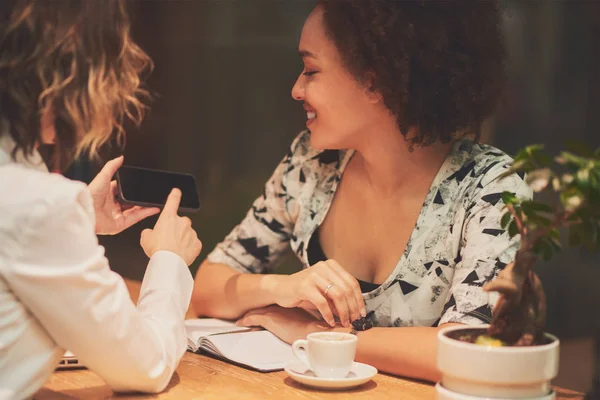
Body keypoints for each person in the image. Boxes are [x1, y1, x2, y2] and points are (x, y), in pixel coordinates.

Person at [192, 0, 531, 382]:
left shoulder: (491, 187)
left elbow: (469, 350)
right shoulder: (312, 163)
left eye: (310, 70)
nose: (296, 90)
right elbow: (207, 286)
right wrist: (282, 287)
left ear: (375, 81)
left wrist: (318, 335)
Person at [0, 0, 202, 397]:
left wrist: (79, 222)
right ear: (72, 66)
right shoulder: (38, 204)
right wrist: (168, 260)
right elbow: (145, 367)